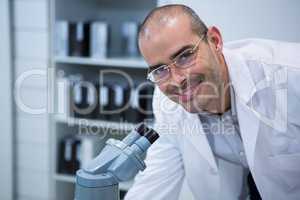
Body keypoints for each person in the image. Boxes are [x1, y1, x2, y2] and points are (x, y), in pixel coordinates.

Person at [125, 4, 300, 200]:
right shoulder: (168, 102)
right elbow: (153, 182)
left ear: (215, 41)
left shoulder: (290, 75)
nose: (177, 80)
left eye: (184, 56)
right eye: (160, 70)